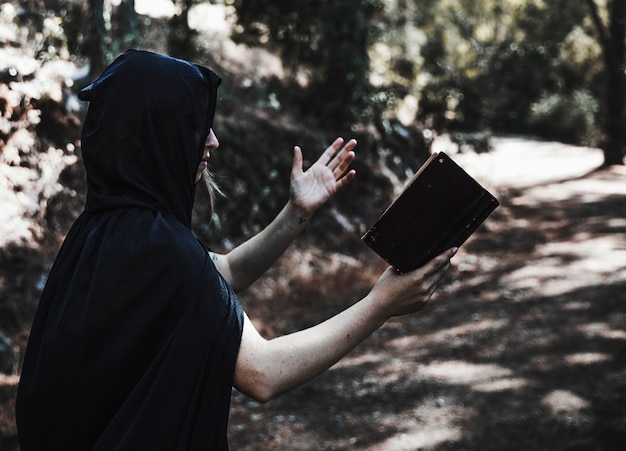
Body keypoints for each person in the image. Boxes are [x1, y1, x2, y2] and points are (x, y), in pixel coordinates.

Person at [15, 49, 456, 450]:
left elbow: (220, 273)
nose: (212, 141)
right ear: (158, 134)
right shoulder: (162, 249)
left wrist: (295, 213)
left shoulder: (102, 228)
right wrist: (381, 304)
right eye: (195, 125)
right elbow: (263, 373)